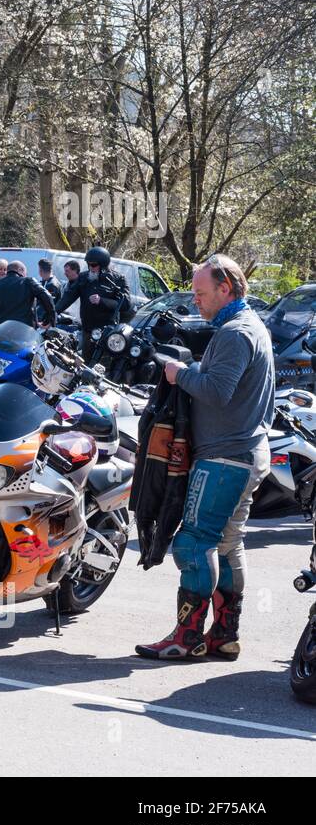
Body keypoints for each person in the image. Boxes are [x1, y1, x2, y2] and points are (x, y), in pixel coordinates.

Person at [136, 255, 274, 661]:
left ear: (225, 288)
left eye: (200, 293)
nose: (195, 300)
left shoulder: (235, 333)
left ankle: (187, 637)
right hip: (245, 454)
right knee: (228, 544)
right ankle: (223, 636)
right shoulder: (249, 327)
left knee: (195, 543)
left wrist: (181, 374)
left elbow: (217, 391)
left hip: (226, 459)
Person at [54, 246, 131, 353]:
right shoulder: (83, 278)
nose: (90, 267)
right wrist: (52, 313)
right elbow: (68, 297)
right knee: (86, 360)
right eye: (88, 264)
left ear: (103, 265)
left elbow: (126, 304)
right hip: (87, 330)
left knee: (103, 364)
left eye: (93, 264)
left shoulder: (118, 279)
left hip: (107, 332)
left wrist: (102, 301)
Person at [0, 259, 56, 330]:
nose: (25, 276)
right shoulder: (28, 281)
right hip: (23, 335)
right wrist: (50, 319)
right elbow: (47, 296)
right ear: (20, 270)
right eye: (25, 273)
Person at [37, 258, 61, 324]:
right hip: (47, 319)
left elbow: (47, 305)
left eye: (39, 270)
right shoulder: (47, 282)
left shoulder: (51, 285)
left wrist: (37, 319)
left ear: (41, 271)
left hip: (47, 321)